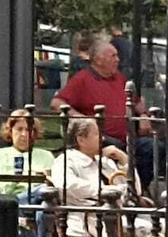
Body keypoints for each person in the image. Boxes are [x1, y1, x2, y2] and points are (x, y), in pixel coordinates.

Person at [52, 39, 154, 189]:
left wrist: (144, 115)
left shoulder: (119, 77)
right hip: (102, 138)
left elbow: (136, 101)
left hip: (128, 137)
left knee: (154, 148)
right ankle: (127, 189)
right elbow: (56, 103)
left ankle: (139, 189)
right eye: (113, 56)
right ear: (99, 60)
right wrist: (82, 119)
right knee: (118, 149)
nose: (117, 60)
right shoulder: (82, 79)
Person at [0, 109, 59, 237]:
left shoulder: (46, 156)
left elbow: (54, 183)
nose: (23, 134)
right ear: (10, 131)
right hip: (14, 201)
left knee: (45, 209)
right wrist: (18, 177)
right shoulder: (0, 155)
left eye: (28, 130)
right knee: (42, 191)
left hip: (40, 202)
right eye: (19, 129)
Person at [51, 116, 128, 237]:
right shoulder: (66, 161)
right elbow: (66, 185)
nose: (102, 139)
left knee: (161, 227)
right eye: (96, 134)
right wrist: (102, 191)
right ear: (81, 139)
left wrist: (124, 160)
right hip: (89, 218)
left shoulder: (105, 162)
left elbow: (134, 190)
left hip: (122, 214)